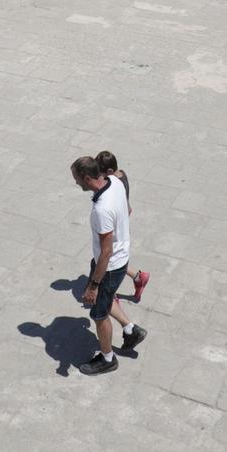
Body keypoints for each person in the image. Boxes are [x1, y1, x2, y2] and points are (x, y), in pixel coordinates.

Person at [71, 155, 145, 374]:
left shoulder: (101, 210)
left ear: (86, 178)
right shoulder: (114, 182)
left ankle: (107, 358)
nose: (75, 182)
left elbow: (106, 251)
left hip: (110, 265)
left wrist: (93, 285)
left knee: (98, 313)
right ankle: (131, 330)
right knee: (107, 297)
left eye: (76, 179)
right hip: (120, 259)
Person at [97, 151, 149, 301]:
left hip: (116, 227)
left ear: (109, 171)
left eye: (100, 173)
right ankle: (138, 277)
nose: (99, 177)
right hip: (120, 224)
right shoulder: (121, 176)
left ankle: (111, 293)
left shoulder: (115, 183)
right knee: (113, 259)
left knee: (110, 260)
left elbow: (123, 206)